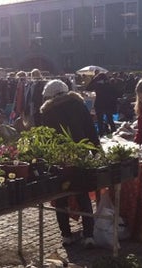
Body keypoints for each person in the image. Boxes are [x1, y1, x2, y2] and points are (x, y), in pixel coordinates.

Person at [38, 79, 98, 249]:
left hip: (60, 159)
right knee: (82, 194)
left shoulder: (48, 112)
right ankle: (89, 235)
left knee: (61, 197)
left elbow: (45, 139)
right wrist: (97, 153)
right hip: (80, 155)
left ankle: (66, 235)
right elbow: (90, 130)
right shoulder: (78, 105)